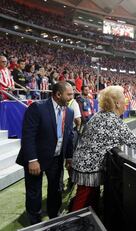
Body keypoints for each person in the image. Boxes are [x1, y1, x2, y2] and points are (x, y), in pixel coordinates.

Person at [70, 86, 136, 212]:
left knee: (89, 203)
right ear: (117, 103)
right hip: (88, 169)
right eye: (124, 100)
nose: (126, 103)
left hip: (84, 164)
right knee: (81, 205)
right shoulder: (114, 121)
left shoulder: (100, 115)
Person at [16, 82, 75, 225]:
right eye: (69, 94)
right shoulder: (37, 107)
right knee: (34, 192)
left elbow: (69, 135)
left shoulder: (70, 111)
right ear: (58, 94)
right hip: (36, 158)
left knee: (56, 189)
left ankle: (54, 216)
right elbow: (28, 135)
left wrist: (69, 156)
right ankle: (35, 221)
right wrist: (32, 159)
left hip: (56, 158)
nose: (72, 97)